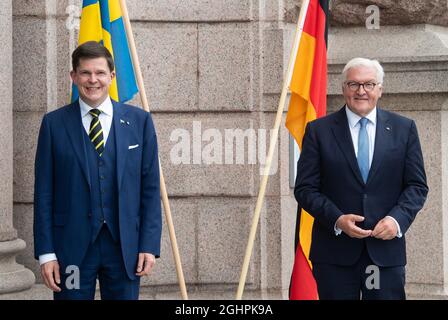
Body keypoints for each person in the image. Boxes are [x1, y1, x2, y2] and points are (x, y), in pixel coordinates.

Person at [33, 41, 162, 300]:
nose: (93, 80)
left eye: (100, 73)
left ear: (112, 77)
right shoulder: (53, 124)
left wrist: (149, 245)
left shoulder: (140, 122)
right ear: (74, 77)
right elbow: (44, 193)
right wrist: (47, 253)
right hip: (71, 252)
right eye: (85, 73)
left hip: (124, 250)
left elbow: (150, 189)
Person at [294, 57, 428, 299]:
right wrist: (337, 219)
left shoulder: (403, 129)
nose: (361, 91)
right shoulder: (318, 131)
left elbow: (416, 186)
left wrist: (396, 221)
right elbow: (305, 189)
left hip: (384, 252)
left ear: (380, 90)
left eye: (368, 84)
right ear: (344, 89)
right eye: (353, 84)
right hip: (335, 254)